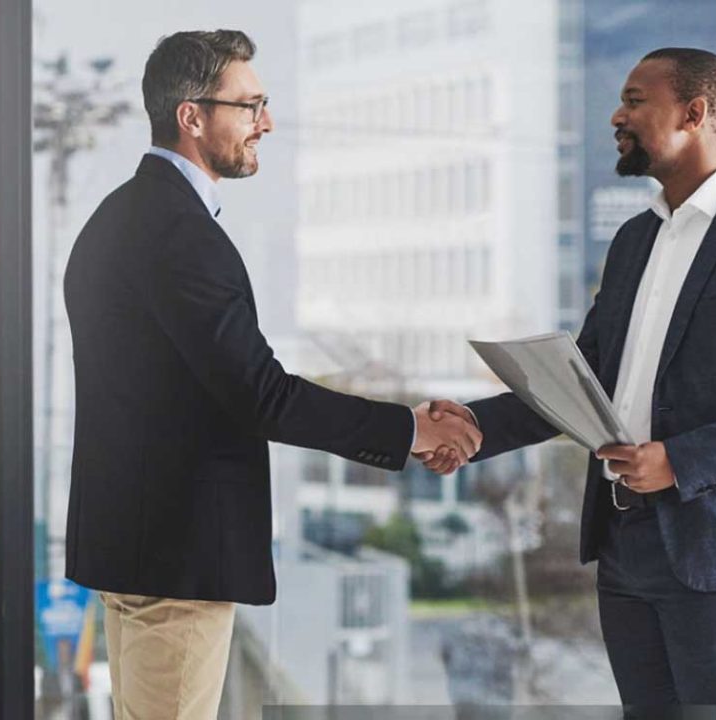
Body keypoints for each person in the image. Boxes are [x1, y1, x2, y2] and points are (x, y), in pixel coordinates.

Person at [62, 30, 483, 720]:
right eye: (250, 105)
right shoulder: (179, 234)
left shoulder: (121, 216)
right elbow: (263, 394)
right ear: (192, 116)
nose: (267, 123)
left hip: (141, 552)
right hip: (177, 562)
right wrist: (409, 428)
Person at [420, 48, 716, 709]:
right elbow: (586, 380)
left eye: (635, 101)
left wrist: (679, 461)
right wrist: (477, 426)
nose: (617, 116)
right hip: (625, 543)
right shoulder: (632, 240)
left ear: (694, 114)